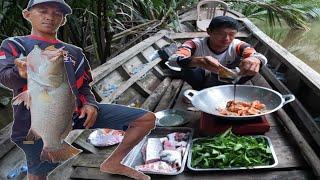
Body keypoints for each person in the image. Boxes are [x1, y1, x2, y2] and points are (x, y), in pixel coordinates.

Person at [0, 0, 155, 180]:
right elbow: (5, 77)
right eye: (42, 11)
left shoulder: (75, 52)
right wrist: (18, 72)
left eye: (57, 14)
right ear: (27, 14)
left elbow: (84, 86)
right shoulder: (15, 44)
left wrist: (90, 104)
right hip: (34, 123)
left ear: (63, 20)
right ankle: (46, 158)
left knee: (145, 119)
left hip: (74, 113)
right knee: (38, 171)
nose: (49, 16)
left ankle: (114, 162)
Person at [169, 16, 267, 90]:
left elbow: (258, 56)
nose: (227, 38)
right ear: (209, 31)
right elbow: (172, 60)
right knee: (187, 66)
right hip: (202, 79)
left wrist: (255, 59)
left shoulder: (238, 45)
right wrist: (197, 61)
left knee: (253, 65)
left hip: (229, 79)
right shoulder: (194, 44)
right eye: (221, 34)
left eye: (232, 34)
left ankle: (228, 90)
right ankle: (199, 91)